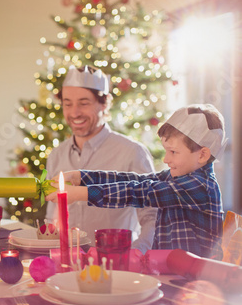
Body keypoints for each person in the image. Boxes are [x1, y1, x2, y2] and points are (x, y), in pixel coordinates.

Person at [47, 104, 226, 259]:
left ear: (202, 154)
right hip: (170, 272)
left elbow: (141, 192)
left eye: (173, 152)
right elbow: (135, 179)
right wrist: (83, 177)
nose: (165, 159)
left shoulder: (200, 186)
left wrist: (82, 194)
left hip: (195, 283)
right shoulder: (176, 177)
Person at [45, 65, 157, 253]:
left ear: (104, 103)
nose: (74, 113)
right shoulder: (56, 155)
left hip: (117, 264)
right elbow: (52, 217)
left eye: (84, 103)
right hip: (67, 264)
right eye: (67, 103)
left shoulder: (132, 152)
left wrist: (136, 254)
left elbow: (152, 218)